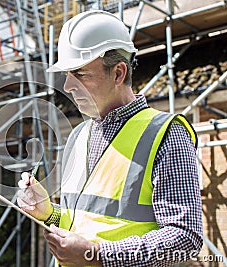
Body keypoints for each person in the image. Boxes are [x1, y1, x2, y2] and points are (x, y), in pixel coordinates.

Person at [17, 10, 203, 267]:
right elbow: (84, 222)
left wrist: (98, 255)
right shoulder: (78, 136)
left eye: (80, 74)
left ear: (118, 73)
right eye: (67, 75)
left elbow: (185, 238)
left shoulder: (166, 134)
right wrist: (48, 212)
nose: (68, 86)